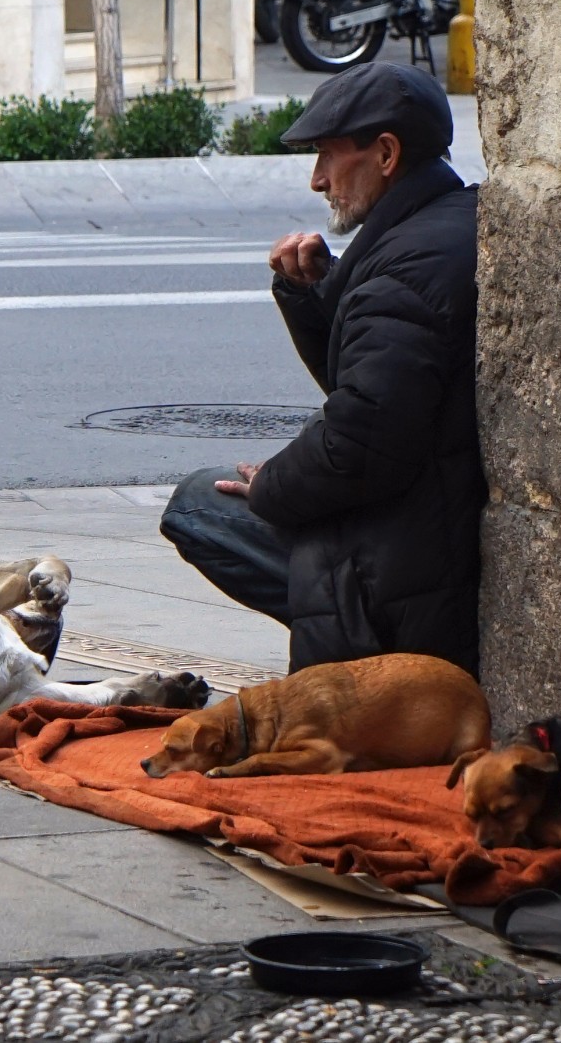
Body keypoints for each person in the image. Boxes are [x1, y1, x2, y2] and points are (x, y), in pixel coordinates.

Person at [160, 63, 484, 674]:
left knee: (198, 504)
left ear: (385, 153)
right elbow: (374, 384)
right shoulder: (444, 225)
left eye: (329, 157)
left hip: (406, 567)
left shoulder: (401, 271)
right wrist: (313, 294)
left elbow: (359, 446)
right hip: (429, 523)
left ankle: (365, 654)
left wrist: (275, 484)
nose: (317, 180)